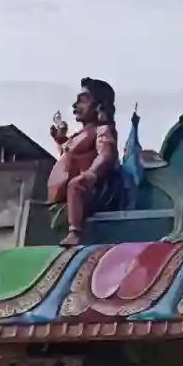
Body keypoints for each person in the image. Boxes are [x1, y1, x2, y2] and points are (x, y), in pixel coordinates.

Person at [48, 78, 121, 246]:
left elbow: (105, 154)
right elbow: (69, 157)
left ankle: (75, 232)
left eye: (83, 100)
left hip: (88, 190)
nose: (75, 105)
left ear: (99, 106)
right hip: (63, 197)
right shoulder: (80, 134)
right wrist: (60, 140)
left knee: (75, 184)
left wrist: (91, 173)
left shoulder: (102, 130)